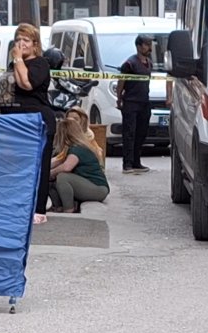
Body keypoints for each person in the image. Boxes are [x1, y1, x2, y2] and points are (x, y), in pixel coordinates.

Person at [4, 23, 57, 225]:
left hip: (38, 119)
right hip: (17, 120)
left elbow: (26, 84)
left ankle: (39, 209)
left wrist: (18, 59)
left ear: (35, 44)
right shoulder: (16, 64)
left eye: (25, 40)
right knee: (18, 165)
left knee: (39, 165)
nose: (21, 44)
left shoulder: (40, 64)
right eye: (18, 40)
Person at [48, 117, 109, 213]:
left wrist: (51, 173)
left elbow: (66, 167)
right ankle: (57, 206)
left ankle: (69, 209)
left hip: (98, 189)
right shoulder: (71, 148)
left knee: (63, 177)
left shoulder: (77, 149)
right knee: (50, 179)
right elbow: (57, 162)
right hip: (90, 186)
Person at [117, 35, 155, 175]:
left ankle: (136, 161)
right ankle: (127, 164)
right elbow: (121, 82)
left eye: (150, 44)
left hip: (144, 102)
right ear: (139, 46)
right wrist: (119, 98)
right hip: (131, 103)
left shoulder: (149, 63)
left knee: (141, 133)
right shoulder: (129, 64)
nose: (149, 47)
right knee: (129, 133)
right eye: (146, 44)